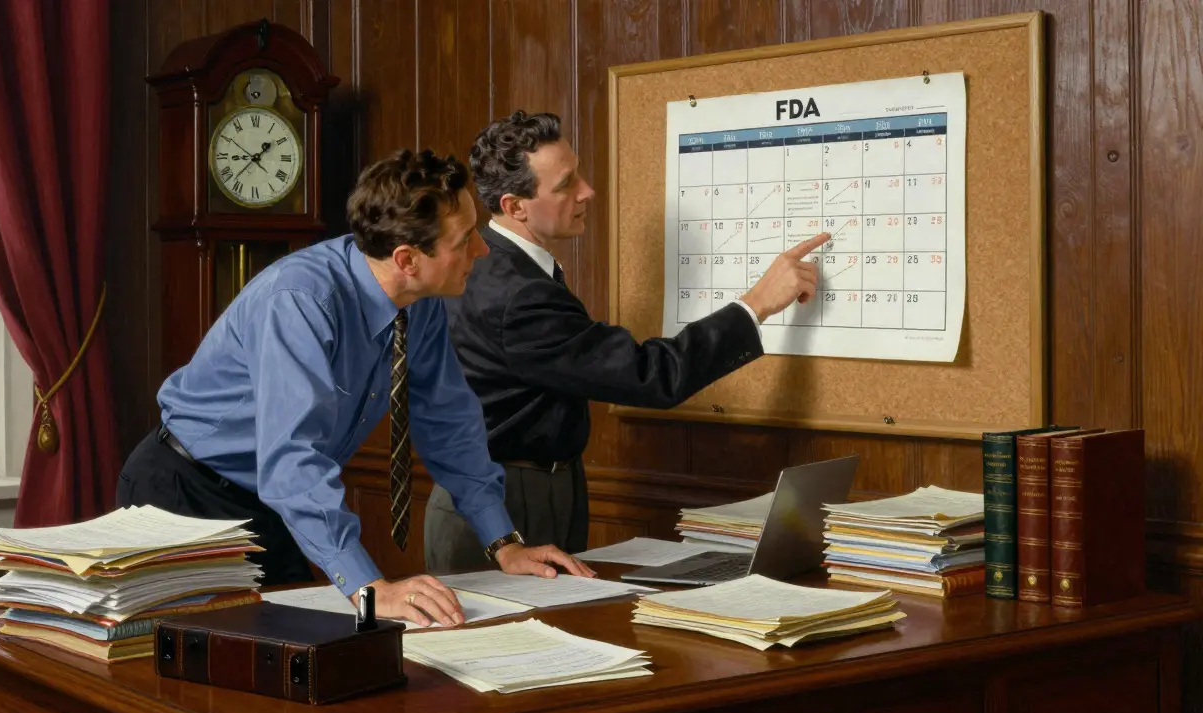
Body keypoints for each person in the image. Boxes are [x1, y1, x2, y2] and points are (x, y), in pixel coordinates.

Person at [117, 147, 592, 628]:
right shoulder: (299, 301)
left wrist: (504, 544)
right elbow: (292, 458)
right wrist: (370, 588)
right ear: (407, 257)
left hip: (269, 505)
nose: (483, 250)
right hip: (185, 494)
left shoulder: (419, 300)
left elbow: (449, 424)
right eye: (466, 238)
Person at [425, 110, 829, 573]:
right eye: (566, 184)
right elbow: (651, 376)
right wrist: (756, 303)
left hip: (526, 490)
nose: (587, 192)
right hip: (509, 504)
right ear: (515, 206)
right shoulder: (516, 292)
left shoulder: (494, 264)